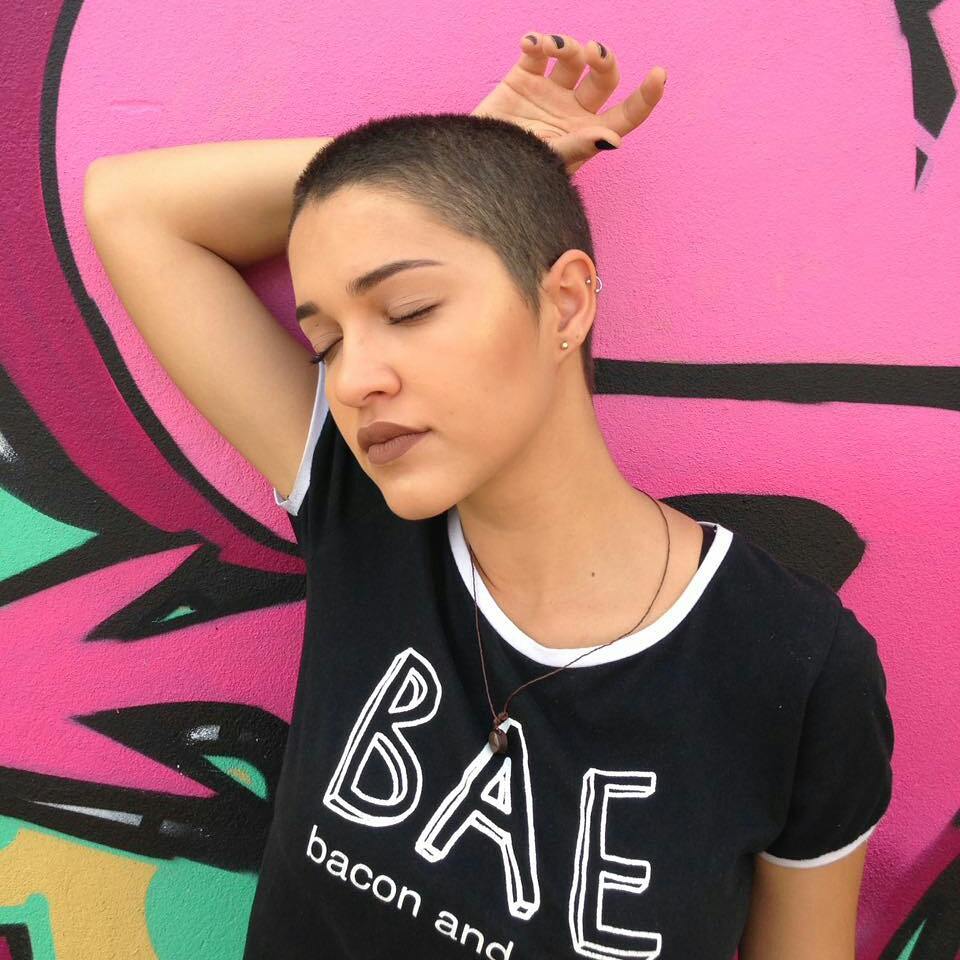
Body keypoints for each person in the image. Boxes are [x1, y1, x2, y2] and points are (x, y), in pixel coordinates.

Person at [84, 31, 894, 960]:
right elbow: (129, 207)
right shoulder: (363, 509)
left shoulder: (794, 664)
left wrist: (473, 177)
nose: (356, 380)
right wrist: (467, 156)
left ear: (566, 304)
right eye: (326, 342)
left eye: (409, 310)